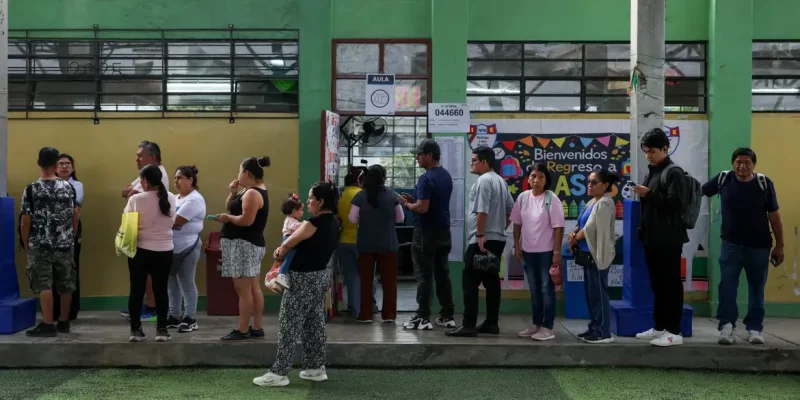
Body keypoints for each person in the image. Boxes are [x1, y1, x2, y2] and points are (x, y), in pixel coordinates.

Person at [253, 181, 341, 387]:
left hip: (302, 279)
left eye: (311, 198)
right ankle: (315, 368)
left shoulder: (313, 223)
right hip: (319, 277)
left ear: (320, 201)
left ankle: (279, 373)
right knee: (314, 324)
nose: (308, 201)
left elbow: (289, 242)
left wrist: (280, 252)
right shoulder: (335, 222)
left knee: (288, 324)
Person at [702, 148, 783, 345]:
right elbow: (699, 192)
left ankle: (754, 328)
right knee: (727, 287)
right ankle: (727, 327)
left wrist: (780, 245)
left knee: (757, 288)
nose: (742, 166)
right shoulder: (723, 179)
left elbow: (774, 216)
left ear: (754, 164)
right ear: (732, 163)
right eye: (738, 162)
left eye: (747, 163)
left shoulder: (764, 184)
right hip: (731, 246)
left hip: (759, 247)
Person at [447, 146, 514, 337]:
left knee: (469, 280)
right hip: (496, 238)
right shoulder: (500, 181)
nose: (471, 163)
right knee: (491, 281)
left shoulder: (484, 181)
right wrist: (499, 228)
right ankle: (491, 324)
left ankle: (469, 325)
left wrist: (480, 234)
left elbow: (482, 211)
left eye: (474, 160)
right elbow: (511, 210)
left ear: (485, 162)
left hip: (482, 241)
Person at [632, 128, 689, 347]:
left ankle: (674, 331)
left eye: (653, 151)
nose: (648, 155)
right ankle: (660, 326)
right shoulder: (652, 171)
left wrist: (649, 194)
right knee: (658, 284)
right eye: (646, 151)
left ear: (665, 149)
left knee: (671, 285)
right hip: (652, 238)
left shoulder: (673, 172)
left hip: (669, 239)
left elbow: (676, 204)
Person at [20, 147, 79, 337]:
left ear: (38, 163)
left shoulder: (31, 189)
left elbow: (25, 220)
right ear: (56, 164)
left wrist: (26, 241)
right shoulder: (68, 187)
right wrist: (71, 235)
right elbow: (75, 215)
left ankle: (47, 324)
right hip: (64, 243)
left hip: (40, 244)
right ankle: (63, 322)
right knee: (66, 283)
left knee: (44, 283)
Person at [399, 139, 455, 331]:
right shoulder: (446, 175)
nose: (417, 157)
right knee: (442, 274)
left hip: (425, 233)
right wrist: (414, 200)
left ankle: (422, 317)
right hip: (444, 232)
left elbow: (422, 209)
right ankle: (448, 315)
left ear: (430, 156)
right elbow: (431, 204)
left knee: (424, 275)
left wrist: (406, 205)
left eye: (420, 154)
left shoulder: (425, 178)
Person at [213, 156, 271, 341]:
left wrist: (228, 219)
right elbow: (233, 208)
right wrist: (232, 193)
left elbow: (246, 220)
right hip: (246, 244)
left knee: (243, 288)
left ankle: (243, 329)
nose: (237, 175)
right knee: (253, 287)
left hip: (244, 244)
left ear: (246, 172)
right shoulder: (250, 190)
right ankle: (257, 327)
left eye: (239, 171)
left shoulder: (253, 193)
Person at [511, 164, 565, 341]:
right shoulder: (523, 198)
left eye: (541, 177)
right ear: (528, 179)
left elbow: (558, 227)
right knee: (534, 290)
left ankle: (547, 327)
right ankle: (536, 324)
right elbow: (517, 223)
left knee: (546, 290)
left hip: (546, 253)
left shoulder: (551, 199)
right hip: (528, 252)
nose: (536, 180)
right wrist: (517, 246)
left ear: (546, 180)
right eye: (533, 176)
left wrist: (556, 252)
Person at [124, 164, 177, 342]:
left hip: (140, 251)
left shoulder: (136, 200)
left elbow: (127, 224)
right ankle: (162, 330)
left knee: (136, 291)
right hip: (165, 251)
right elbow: (172, 220)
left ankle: (135, 330)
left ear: (145, 181)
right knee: (161, 290)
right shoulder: (171, 197)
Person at [120, 141, 169, 321]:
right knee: (145, 277)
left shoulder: (158, 175)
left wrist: (132, 193)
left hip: (150, 237)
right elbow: (125, 191)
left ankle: (152, 308)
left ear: (153, 158)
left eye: (140, 155)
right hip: (146, 235)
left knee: (148, 276)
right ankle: (148, 307)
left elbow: (131, 194)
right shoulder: (146, 174)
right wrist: (130, 192)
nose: (137, 159)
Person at [568, 169, 618, 344]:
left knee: (599, 294)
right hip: (587, 255)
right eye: (589, 181)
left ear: (605, 185)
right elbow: (581, 222)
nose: (589, 185)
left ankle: (603, 332)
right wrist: (574, 233)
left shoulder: (605, 203)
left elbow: (591, 229)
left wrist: (575, 237)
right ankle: (594, 327)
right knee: (591, 294)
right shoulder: (592, 202)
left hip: (598, 255)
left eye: (594, 182)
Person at [349, 164, 404, 323]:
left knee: (365, 281)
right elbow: (400, 219)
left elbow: (352, 219)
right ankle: (388, 315)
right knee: (389, 282)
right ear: (383, 178)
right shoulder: (393, 196)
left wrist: (365, 219)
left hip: (366, 244)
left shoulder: (360, 196)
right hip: (388, 244)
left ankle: (365, 315)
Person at [166, 166, 206, 334]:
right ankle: (175, 315)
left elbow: (177, 220)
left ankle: (190, 318)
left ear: (190, 180)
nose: (176, 181)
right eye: (175, 178)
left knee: (186, 282)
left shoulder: (195, 199)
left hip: (187, 247)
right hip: (171, 246)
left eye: (180, 178)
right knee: (172, 283)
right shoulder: (175, 198)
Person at [337, 166, 378, 318]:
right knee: (368, 276)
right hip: (362, 242)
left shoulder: (340, 196)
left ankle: (355, 309)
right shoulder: (363, 195)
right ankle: (370, 305)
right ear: (360, 180)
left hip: (344, 242)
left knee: (351, 277)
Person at [52, 153, 83, 321]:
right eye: (61, 164)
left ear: (73, 168)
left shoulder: (77, 185)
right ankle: (55, 310)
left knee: (71, 266)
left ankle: (71, 310)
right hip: (53, 230)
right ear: (55, 168)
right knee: (53, 269)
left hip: (72, 227)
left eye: (68, 164)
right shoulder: (47, 184)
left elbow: (74, 202)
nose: (64, 167)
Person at [267, 193, 303, 291]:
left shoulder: (291, 220)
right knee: (289, 257)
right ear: (294, 211)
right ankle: (281, 275)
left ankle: (282, 275)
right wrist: (304, 224)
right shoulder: (290, 220)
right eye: (301, 210)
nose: (302, 212)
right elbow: (296, 227)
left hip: (288, 239)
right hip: (288, 240)